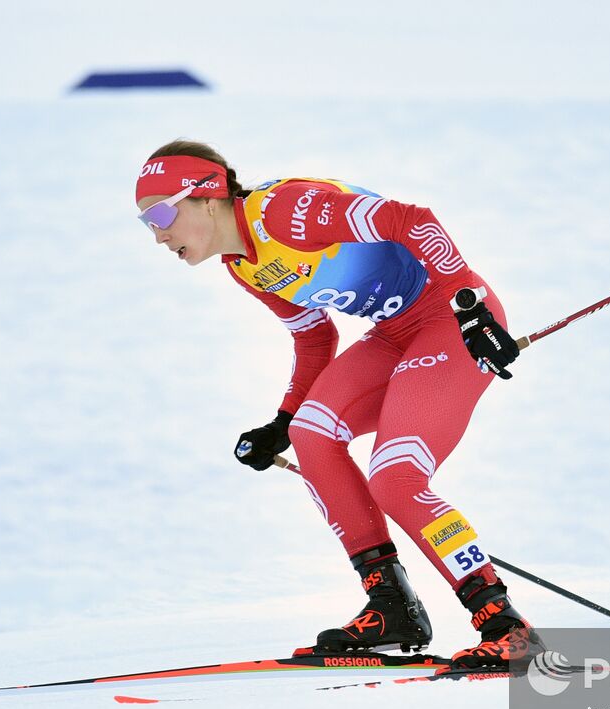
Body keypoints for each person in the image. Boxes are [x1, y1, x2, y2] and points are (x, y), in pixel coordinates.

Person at [134, 140, 540, 669]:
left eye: (163, 212)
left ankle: (506, 624)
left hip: (451, 320)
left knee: (396, 478)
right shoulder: (244, 266)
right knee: (311, 433)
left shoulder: (287, 213)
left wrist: (471, 302)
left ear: (208, 198)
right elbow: (314, 340)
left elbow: (407, 218)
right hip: (394, 332)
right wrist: (281, 421)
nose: (158, 232)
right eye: (145, 222)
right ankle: (392, 606)